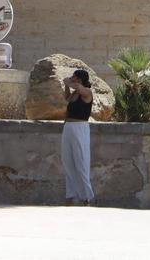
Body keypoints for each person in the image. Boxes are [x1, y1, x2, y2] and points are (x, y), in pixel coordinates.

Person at [62, 67, 95, 205]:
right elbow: (67, 98)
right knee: (68, 160)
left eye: (74, 76)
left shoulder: (86, 92)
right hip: (68, 127)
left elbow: (73, 84)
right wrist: (66, 86)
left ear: (79, 79)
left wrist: (68, 82)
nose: (71, 77)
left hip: (80, 127)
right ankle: (71, 195)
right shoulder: (75, 92)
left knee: (81, 161)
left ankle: (87, 196)